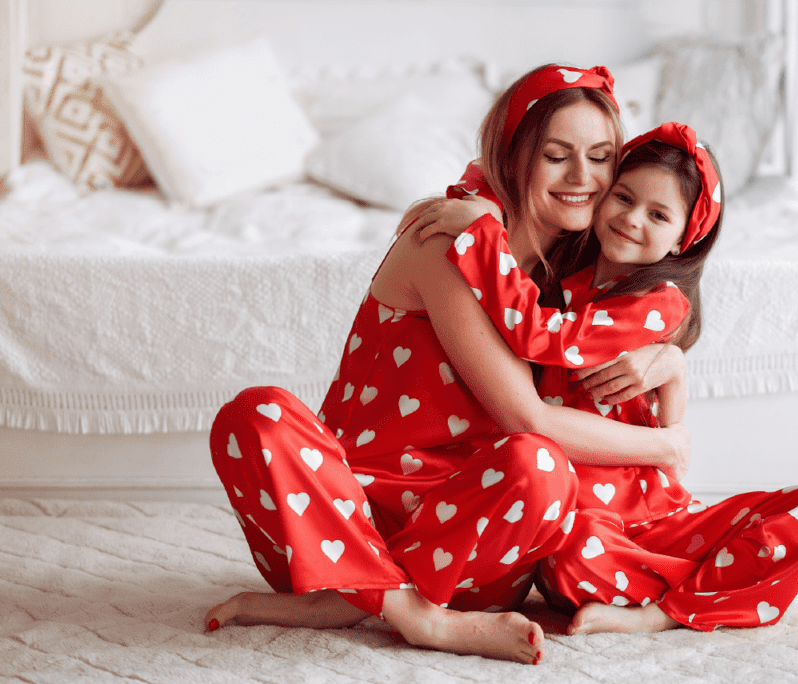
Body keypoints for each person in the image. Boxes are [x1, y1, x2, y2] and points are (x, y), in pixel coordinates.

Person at [202, 65, 690, 665]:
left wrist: (670, 359)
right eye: (557, 156)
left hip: (471, 551)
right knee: (257, 415)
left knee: (542, 469)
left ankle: (364, 602)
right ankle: (411, 614)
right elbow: (525, 413)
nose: (582, 179)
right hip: (335, 531)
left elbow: (658, 306)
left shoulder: (575, 258)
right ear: (512, 158)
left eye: (601, 157)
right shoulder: (447, 238)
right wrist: (665, 449)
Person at [432, 121, 798, 635]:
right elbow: (510, 181)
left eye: (657, 214)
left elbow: (547, 340)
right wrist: (477, 206)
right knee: (566, 563)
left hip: (658, 515)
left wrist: (479, 239)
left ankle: (662, 614)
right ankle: (707, 584)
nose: (631, 219)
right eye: (623, 198)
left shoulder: (659, 305)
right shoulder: (555, 278)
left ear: (681, 240)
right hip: (585, 524)